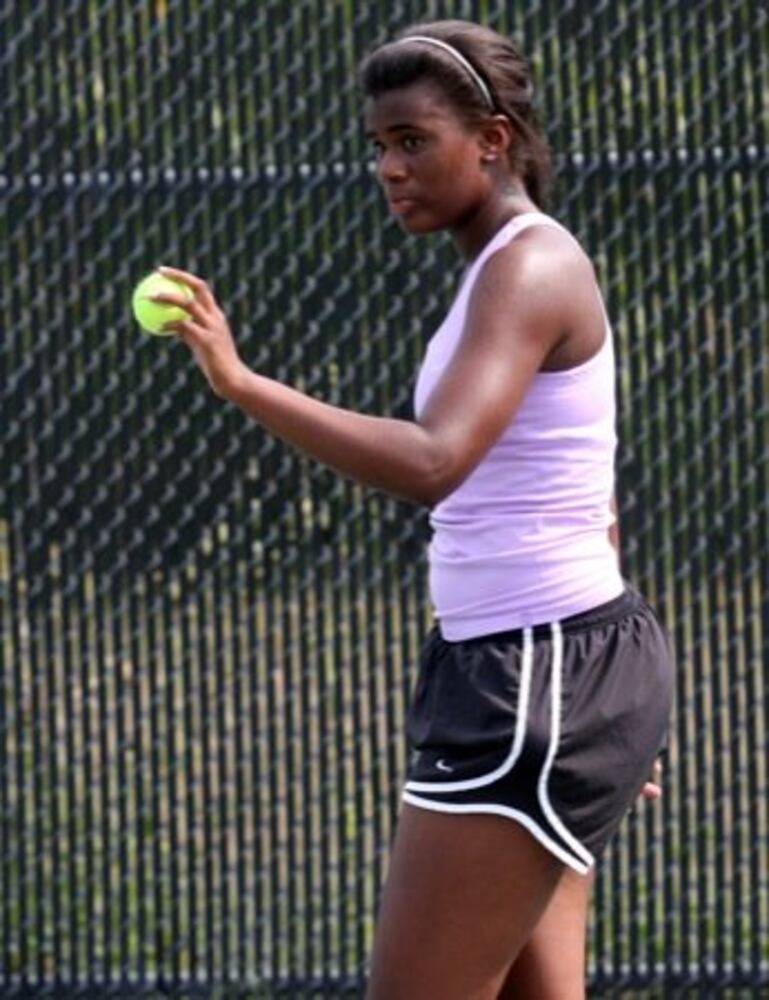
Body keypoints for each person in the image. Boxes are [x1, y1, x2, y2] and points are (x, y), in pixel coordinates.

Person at [153, 19, 674, 1000]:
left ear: (490, 137)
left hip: (534, 674)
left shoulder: (528, 266)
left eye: (412, 141)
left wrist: (244, 383)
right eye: (379, 147)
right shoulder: (504, 270)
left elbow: (435, 462)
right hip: (552, 669)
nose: (389, 168)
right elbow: (588, 485)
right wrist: (611, 710)